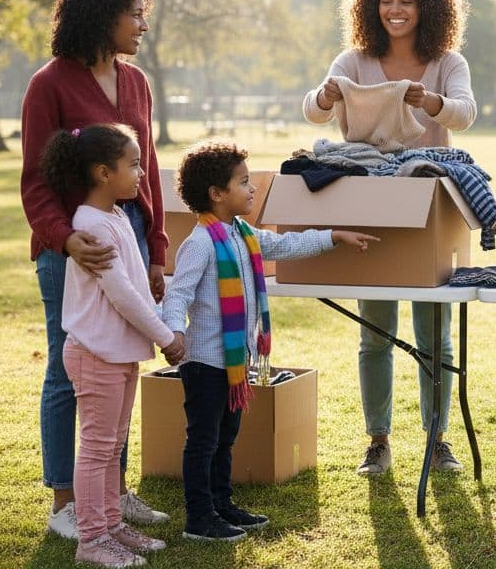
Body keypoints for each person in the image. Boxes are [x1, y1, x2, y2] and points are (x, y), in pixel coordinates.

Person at [303, 0, 477, 475]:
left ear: (426, 6)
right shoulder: (352, 61)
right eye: (385, 2)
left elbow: (465, 114)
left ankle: (437, 438)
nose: (395, 11)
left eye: (405, 1)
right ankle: (377, 440)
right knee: (375, 332)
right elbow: (313, 111)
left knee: (434, 335)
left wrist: (431, 104)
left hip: (428, 205)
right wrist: (324, 93)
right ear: (370, 7)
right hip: (371, 204)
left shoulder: (448, 63)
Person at [19, 0, 171, 539]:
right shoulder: (49, 84)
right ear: (102, 15)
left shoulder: (137, 82)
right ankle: (66, 500)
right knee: (68, 366)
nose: (142, 24)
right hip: (71, 246)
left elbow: (148, 169)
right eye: (134, 13)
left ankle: (112, 492)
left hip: (128, 238)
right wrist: (63, 238)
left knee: (122, 361)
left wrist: (155, 248)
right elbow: (35, 178)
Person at [161, 140, 377, 541]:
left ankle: (221, 504)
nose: (252, 188)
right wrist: (173, 330)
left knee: (225, 439)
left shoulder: (243, 235)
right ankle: (199, 517)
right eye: (243, 182)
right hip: (205, 363)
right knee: (203, 441)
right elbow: (178, 293)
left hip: (234, 364)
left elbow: (288, 244)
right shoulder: (201, 243)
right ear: (217, 194)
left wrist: (334, 235)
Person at [38, 123, 183, 568]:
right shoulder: (88, 224)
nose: (142, 173)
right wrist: (166, 337)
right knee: (99, 446)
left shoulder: (117, 216)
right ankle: (92, 539)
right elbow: (121, 295)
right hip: (95, 354)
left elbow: (137, 287)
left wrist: (158, 326)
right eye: (134, 164)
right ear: (103, 172)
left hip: (119, 352)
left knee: (113, 443)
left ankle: (112, 524)